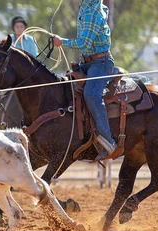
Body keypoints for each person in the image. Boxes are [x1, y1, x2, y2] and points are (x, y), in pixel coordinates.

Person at [53, 0, 116, 159]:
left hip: (100, 64)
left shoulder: (92, 11)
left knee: (92, 95)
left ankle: (107, 141)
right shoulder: (87, 6)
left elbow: (84, 43)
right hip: (87, 63)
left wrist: (62, 42)